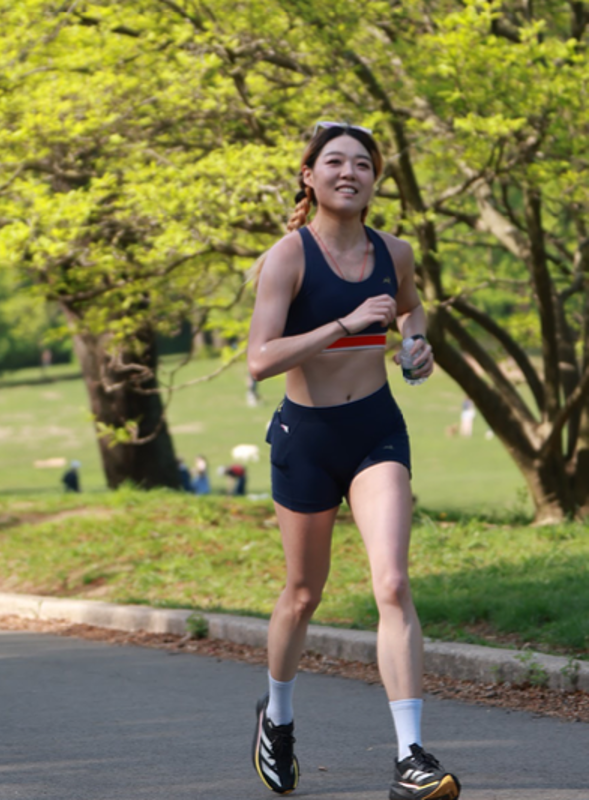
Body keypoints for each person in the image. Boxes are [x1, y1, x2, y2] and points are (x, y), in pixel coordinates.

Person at [246, 121, 460, 800]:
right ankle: (277, 719)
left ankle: (410, 755)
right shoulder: (288, 257)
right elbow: (259, 359)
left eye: (362, 164)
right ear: (309, 176)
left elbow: (411, 310)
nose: (349, 172)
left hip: (375, 433)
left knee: (392, 583)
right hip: (306, 440)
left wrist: (416, 347)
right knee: (303, 594)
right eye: (335, 162)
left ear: (374, 179)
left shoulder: (394, 252)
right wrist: (343, 324)